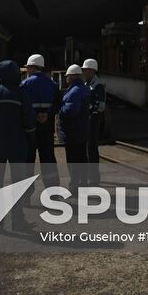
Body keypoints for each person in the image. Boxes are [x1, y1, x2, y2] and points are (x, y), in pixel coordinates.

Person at [0, 59, 37, 231]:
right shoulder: (21, 95)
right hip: (18, 148)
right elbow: (29, 121)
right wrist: (28, 139)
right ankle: (17, 221)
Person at [20, 54, 60, 188]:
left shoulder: (24, 84)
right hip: (47, 128)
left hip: (29, 129)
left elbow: (22, 106)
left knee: (28, 161)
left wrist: (35, 115)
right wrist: (47, 114)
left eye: (28, 68)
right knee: (48, 159)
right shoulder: (53, 85)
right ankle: (53, 190)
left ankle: (26, 194)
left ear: (31, 68)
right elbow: (58, 104)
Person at [57, 64, 90, 196]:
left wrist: (60, 110)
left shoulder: (74, 91)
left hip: (72, 131)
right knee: (82, 158)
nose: (66, 79)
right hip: (81, 130)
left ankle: (74, 186)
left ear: (70, 77)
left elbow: (71, 110)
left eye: (67, 76)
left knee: (73, 159)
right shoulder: (83, 88)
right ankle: (83, 183)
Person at [82, 58, 106, 184]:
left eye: (85, 70)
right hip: (88, 119)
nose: (84, 72)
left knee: (91, 148)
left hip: (93, 120)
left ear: (92, 70)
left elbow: (101, 105)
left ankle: (94, 178)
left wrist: (92, 113)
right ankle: (90, 175)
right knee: (88, 148)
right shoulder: (88, 84)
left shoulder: (98, 85)